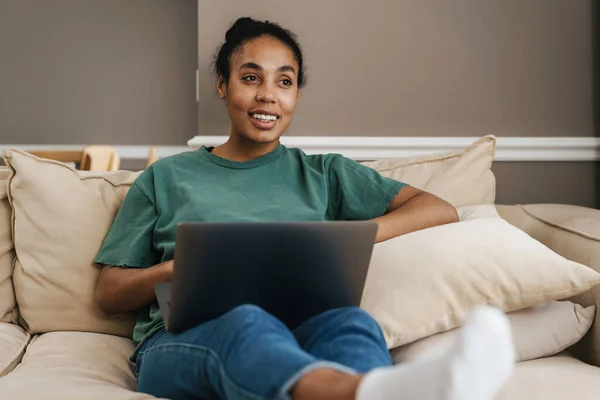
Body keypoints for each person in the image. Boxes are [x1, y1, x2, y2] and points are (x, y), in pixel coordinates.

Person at [94, 17, 514, 400]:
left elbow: (437, 209)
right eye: (250, 77)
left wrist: (353, 235)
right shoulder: (165, 177)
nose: (267, 96)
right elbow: (109, 293)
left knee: (353, 324)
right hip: (181, 340)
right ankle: (370, 393)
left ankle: (374, 389)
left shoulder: (324, 174)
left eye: (284, 81)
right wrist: (175, 271)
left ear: (296, 93)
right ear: (222, 85)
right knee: (247, 325)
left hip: (302, 328)